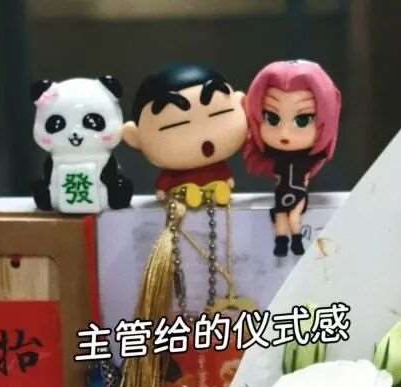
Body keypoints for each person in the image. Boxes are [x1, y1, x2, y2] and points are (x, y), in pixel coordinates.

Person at [242, 60, 341, 256]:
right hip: (282, 191)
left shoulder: (307, 161)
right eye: (272, 118)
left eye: (302, 120)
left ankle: (296, 242)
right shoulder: (274, 158)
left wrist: (303, 182)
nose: (284, 133)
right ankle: (282, 244)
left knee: (294, 218)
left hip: (297, 191)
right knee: (281, 217)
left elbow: (305, 176)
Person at [121, 64, 247, 207]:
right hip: (181, 189)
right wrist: (162, 189)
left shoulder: (218, 166)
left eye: (219, 114)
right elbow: (166, 181)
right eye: (176, 125)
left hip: (214, 186)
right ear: (134, 137)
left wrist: (227, 179)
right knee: (185, 191)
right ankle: (188, 194)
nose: (203, 138)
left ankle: (218, 192)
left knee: (219, 187)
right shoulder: (172, 172)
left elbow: (223, 172)